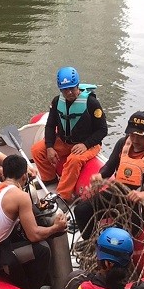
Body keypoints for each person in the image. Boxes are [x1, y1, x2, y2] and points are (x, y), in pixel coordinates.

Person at [0, 155, 68, 289]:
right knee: (42, 250)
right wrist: (56, 228)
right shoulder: (21, 197)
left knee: (17, 236)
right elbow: (34, 235)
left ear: (3, 173)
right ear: (24, 176)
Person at [72, 111, 144, 240]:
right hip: (118, 194)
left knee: (119, 233)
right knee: (81, 210)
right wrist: (100, 175)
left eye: (140, 136)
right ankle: (91, 244)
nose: (135, 140)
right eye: (132, 135)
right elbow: (109, 167)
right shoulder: (123, 143)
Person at [32, 67, 108, 202]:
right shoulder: (57, 102)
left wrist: (86, 144)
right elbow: (50, 126)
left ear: (77, 85)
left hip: (89, 143)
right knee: (37, 150)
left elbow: (102, 130)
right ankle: (49, 178)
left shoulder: (92, 103)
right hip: (64, 141)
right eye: (65, 89)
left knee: (74, 160)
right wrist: (49, 146)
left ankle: (63, 195)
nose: (69, 92)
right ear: (60, 89)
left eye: (72, 88)